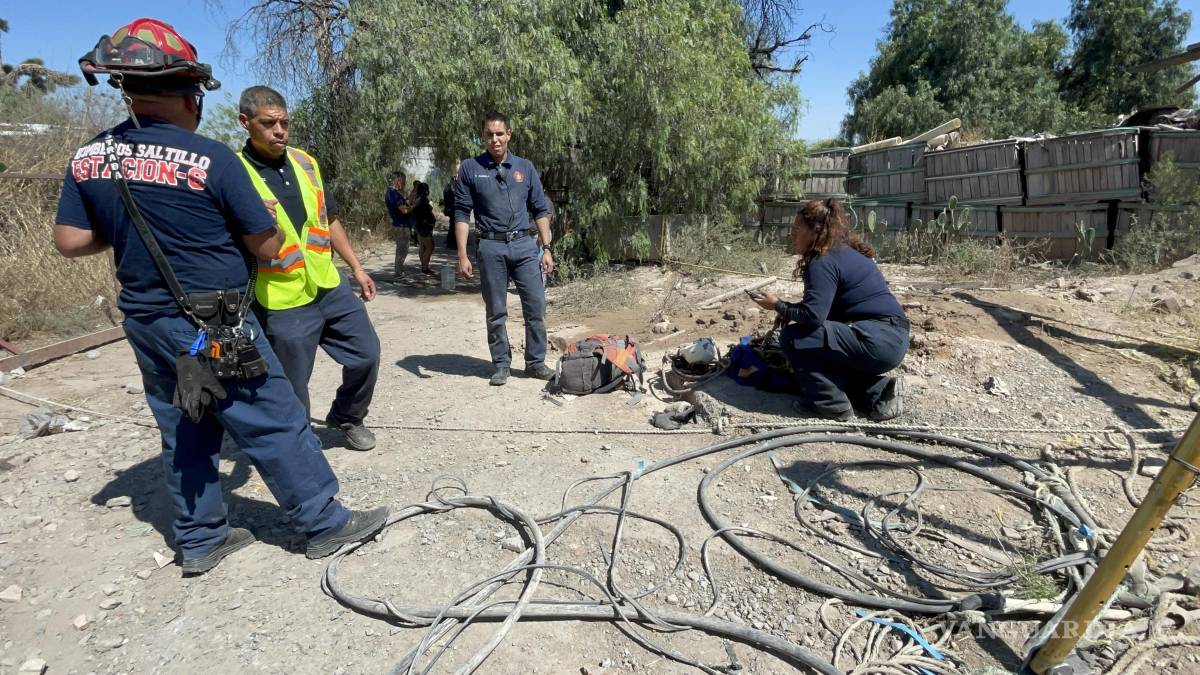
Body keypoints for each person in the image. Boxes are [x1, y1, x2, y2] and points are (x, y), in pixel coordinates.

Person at [55, 18, 387, 575]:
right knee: (273, 417)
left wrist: (138, 231)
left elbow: (70, 241)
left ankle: (202, 539)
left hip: (147, 321)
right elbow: (265, 243)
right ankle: (325, 524)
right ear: (189, 94)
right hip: (217, 322)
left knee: (186, 422)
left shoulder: (91, 157)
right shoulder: (211, 159)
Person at [235, 85, 381, 451]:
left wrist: (357, 268)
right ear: (245, 123)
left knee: (367, 354)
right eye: (269, 123)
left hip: (328, 284)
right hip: (282, 298)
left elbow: (328, 220)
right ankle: (299, 448)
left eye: (284, 122)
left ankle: (347, 416)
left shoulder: (305, 162)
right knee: (293, 384)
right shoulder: (234, 175)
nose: (279, 131)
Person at [750, 198, 908, 421]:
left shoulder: (822, 262)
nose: (792, 234)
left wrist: (777, 305)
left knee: (794, 337)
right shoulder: (843, 253)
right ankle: (881, 391)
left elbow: (813, 317)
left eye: (797, 228)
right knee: (823, 357)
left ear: (815, 230)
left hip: (878, 340)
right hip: (890, 338)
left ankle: (832, 406)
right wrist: (786, 310)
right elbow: (821, 311)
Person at [453, 112, 555, 386]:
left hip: (524, 246)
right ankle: (501, 364)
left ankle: (535, 363)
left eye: (500, 134)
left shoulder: (526, 167)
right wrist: (462, 254)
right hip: (490, 247)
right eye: (489, 134)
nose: (495, 139)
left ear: (509, 134)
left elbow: (540, 209)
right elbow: (462, 213)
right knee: (496, 310)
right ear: (483, 137)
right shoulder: (470, 169)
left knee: (535, 307)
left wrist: (546, 248)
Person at [385, 170, 414, 278]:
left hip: (401, 224)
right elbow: (404, 210)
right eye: (403, 181)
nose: (404, 183)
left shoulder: (394, 193)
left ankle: (399, 270)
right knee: (402, 249)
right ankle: (398, 272)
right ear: (398, 180)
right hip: (401, 225)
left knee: (402, 249)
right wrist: (414, 206)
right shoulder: (393, 193)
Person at [412, 181, 437, 275]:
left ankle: (424, 267)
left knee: (423, 246)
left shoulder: (418, 199)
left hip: (419, 226)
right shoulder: (422, 200)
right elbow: (425, 213)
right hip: (424, 227)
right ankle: (425, 268)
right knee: (430, 247)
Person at [441, 171, 458, 250]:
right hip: (453, 209)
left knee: (452, 225)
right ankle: (452, 242)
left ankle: (450, 241)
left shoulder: (447, 187)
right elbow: (453, 199)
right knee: (454, 226)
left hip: (449, 208)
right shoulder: (452, 188)